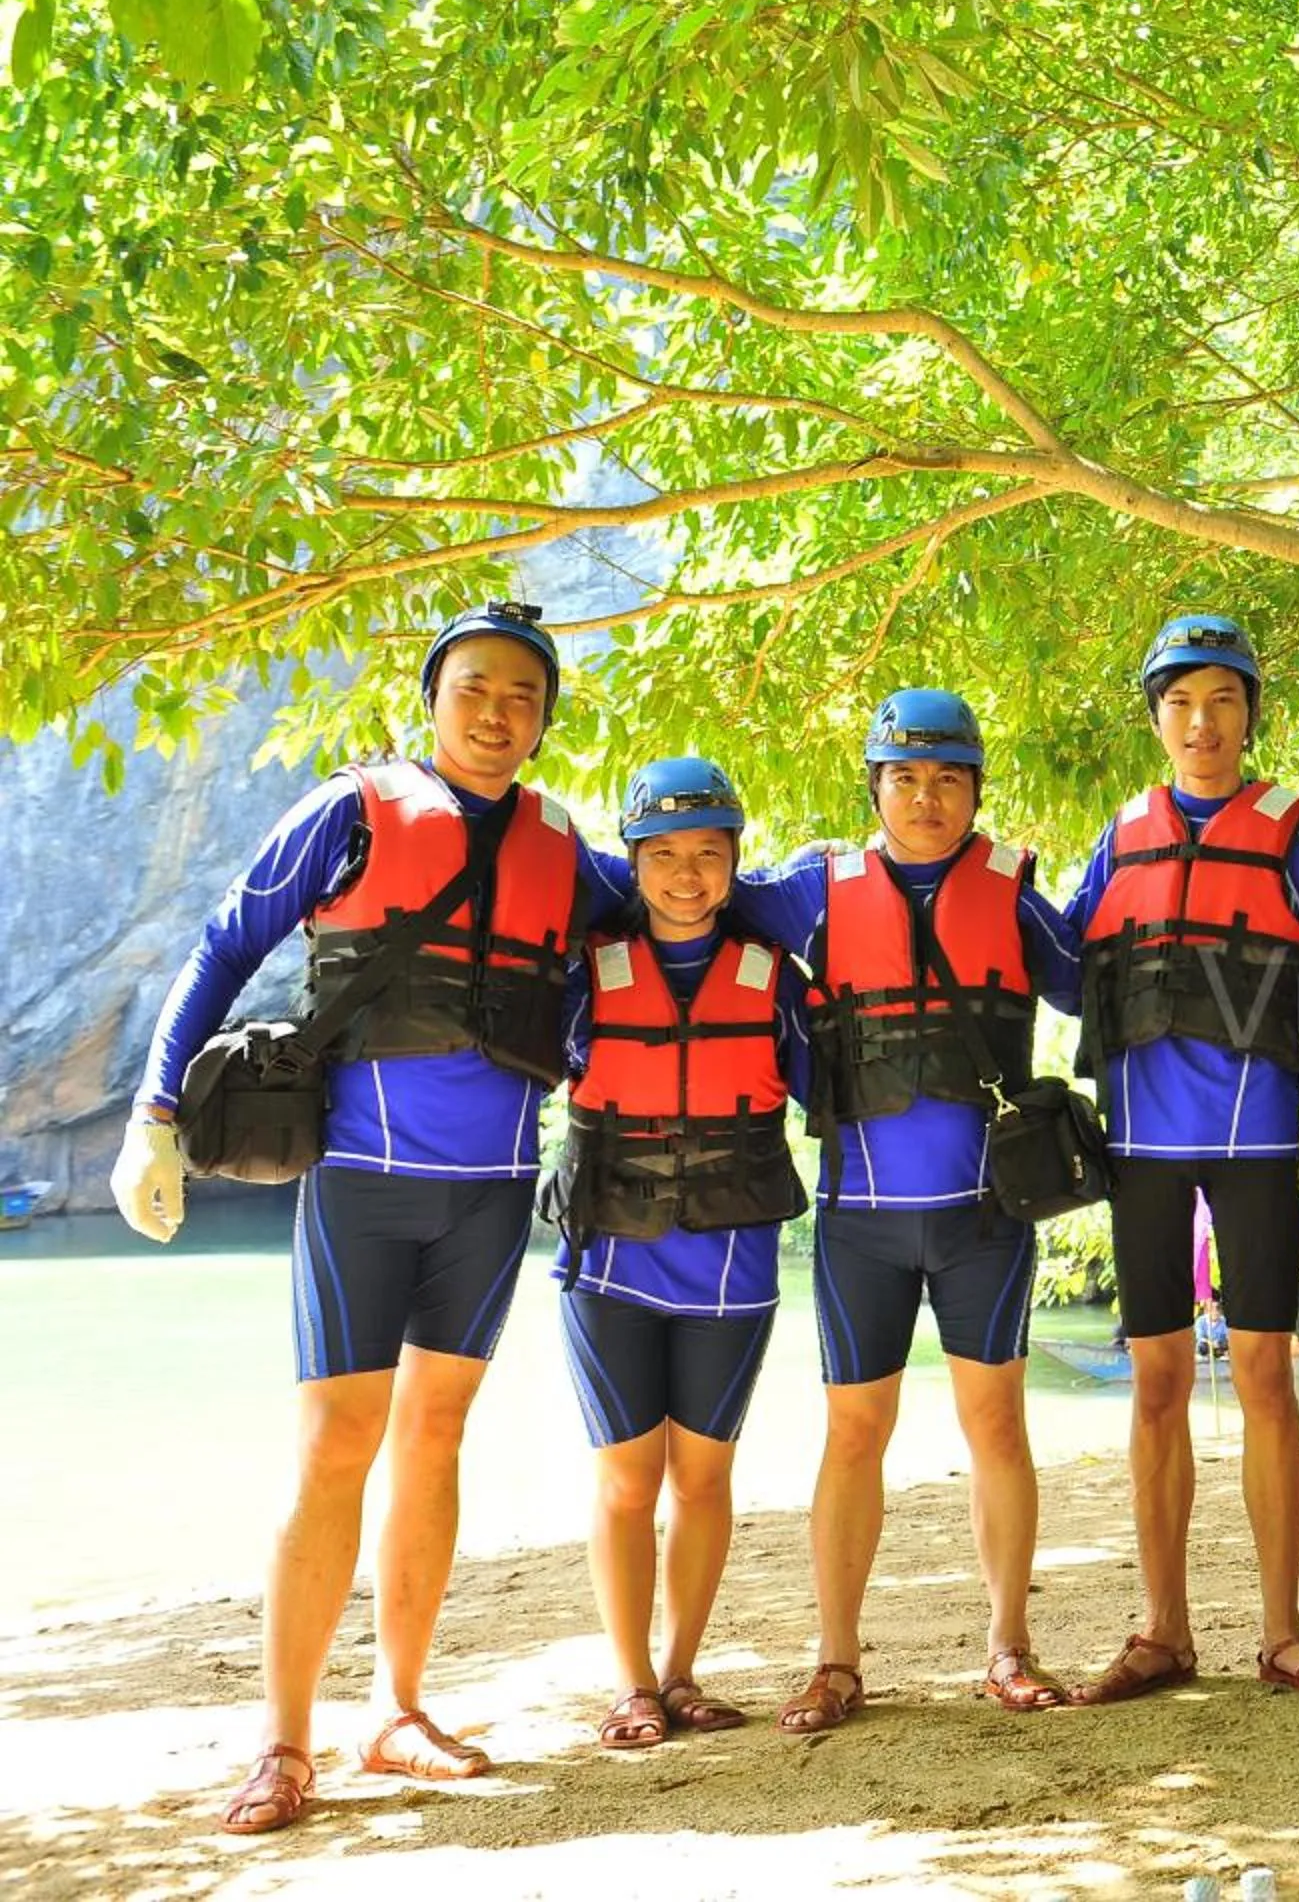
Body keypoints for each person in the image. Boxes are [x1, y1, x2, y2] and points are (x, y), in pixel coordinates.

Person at [110, 601, 626, 1832]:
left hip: (494, 1190)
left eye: (523, 698)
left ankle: (398, 1708)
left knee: (435, 1437)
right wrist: (154, 1110)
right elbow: (225, 943)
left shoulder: (569, 852)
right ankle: (284, 1742)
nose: (498, 715)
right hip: (360, 1178)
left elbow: (677, 901)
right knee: (339, 1443)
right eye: (476, 690)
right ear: (433, 695)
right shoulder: (351, 812)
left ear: (546, 719)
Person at [707, 689, 1084, 1730]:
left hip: (983, 1216)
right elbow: (688, 896)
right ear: (874, 787)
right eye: (905, 779)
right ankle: (835, 1660)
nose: (925, 798)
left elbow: (1095, 982)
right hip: (859, 1219)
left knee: (995, 1424)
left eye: (948, 779)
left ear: (974, 792)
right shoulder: (812, 891)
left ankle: (1009, 1645)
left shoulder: (1010, 893)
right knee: (853, 1431)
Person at [1062, 615, 1299, 1700]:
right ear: (1156, 720)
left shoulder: (1298, 836)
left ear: (1250, 714)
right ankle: (1163, 1630)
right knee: (1154, 1382)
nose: (1203, 722)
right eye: (1181, 702)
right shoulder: (1121, 831)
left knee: (1265, 1373)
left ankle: (1284, 1630)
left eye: (1224, 700)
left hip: (1253, 1146)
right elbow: (1067, 966)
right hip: (1140, 1149)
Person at [548, 758, 808, 1748]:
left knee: (701, 1478)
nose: (688, 874)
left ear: (737, 861)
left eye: (709, 853)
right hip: (611, 1257)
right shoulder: (588, 974)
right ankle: (630, 1684)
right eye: (663, 855)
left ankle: (682, 1669)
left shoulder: (774, 980)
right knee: (626, 1480)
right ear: (634, 863)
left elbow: (832, 1086)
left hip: (732, 1265)